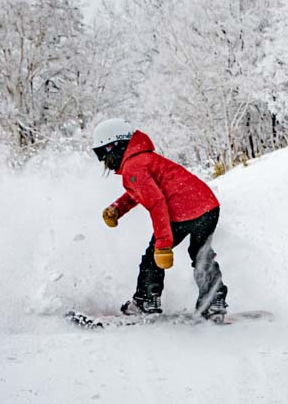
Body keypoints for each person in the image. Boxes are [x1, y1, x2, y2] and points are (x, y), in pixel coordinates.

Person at [91, 118, 229, 321]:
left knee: (151, 258)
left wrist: (163, 245)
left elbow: (156, 203)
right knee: (201, 253)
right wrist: (117, 209)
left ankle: (146, 301)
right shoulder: (143, 160)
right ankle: (213, 299)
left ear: (114, 147)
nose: (106, 163)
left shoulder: (134, 167)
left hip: (182, 210)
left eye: (103, 155)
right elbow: (142, 192)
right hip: (207, 206)